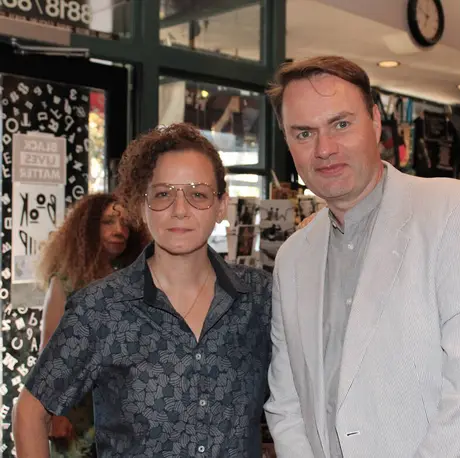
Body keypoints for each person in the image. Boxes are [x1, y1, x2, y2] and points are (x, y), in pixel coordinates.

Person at [264, 55, 460, 458]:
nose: (324, 149)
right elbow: (287, 400)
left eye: (341, 124)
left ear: (376, 122)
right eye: (303, 133)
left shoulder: (458, 214)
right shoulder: (294, 256)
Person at [13, 123, 272, 458]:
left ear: (222, 205)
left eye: (198, 194)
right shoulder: (101, 307)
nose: (180, 209)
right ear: (142, 205)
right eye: (164, 194)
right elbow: (31, 411)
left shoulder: (259, 298)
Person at [35, 193, 147, 457]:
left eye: (125, 223)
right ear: (88, 228)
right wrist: (55, 413)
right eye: (108, 222)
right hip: (78, 413)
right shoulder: (65, 281)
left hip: (124, 413)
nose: (119, 230)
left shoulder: (135, 281)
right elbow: (49, 350)